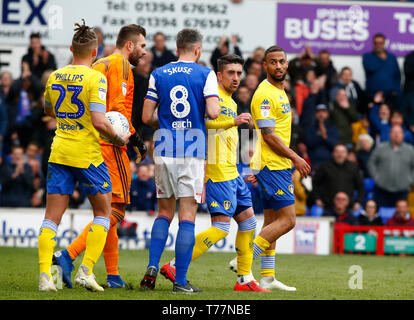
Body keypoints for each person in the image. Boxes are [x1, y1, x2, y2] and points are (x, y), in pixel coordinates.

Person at [157, 54, 269, 292]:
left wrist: (247, 166)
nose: (236, 78)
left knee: (248, 222)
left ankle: (244, 279)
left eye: (239, 73)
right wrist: (233, 122)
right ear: (219, 75)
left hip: (234, 171)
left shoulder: (231, 100)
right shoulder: (213, 96)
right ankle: (175, 266)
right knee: (221, 227)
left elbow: (229, 135)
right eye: (231, 73)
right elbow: (202, 122)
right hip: (217, 171)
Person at [37, 20, 130, 292]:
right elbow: (101, 122)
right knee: (104, 213)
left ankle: (45, 277)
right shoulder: (95, 77)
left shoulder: (55, 75)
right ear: (94, 52)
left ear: (70, 48)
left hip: (59, 152)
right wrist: (118, 138)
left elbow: (47, 109)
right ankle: (86, 271)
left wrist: (69, 116)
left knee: (51, 218)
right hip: (88, 155)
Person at [52, 24, 147, 289]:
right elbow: (117, 113)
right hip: (111, 144)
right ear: (129, 45)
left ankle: (113, 275)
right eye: (142, 46)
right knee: (114, 210)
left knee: (108, 209)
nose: (144, 51)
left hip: (90, 142)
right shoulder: (123, 67)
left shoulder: (100, 64)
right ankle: (67, 256)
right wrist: (135, 136)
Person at [140, 28, 220, 293]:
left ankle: (152, 267)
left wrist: (166, 120)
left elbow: (146, 117)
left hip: (163, 146)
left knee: (164, 212)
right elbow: (213, 112)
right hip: (192, 148)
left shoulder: (158, 73)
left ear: (177, 48)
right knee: (187, 216)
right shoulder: (205, 74)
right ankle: (180, 281)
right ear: (197, 50)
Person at [241, 45, 311, 291]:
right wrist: (296, 158)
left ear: (287, 64)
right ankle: (243, 261)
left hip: (273, 163)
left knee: (271, 223)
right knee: (288, 220)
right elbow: (269, 135)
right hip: (273, 164)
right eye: (273, 62)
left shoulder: (281, 90)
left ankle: (267, 278)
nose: (278, 66)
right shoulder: (264, 94)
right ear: (265, 66)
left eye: (282, 61)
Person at [368, 125, 414, 207]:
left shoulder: (410, 150)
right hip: (381, 190)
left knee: (399, 217)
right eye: (394, 132)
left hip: (402, 191)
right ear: (390, 134)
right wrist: (376, 177)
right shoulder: (380, 148)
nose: (396, 134)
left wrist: (410, 180)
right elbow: (371, 163)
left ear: (403, 135)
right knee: (381, 216)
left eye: (399, 132)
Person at [313, 143, 364, 212]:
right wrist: (317, 199)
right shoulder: (325, 167)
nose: (340, 155)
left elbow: (360, 186)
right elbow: (315, 183)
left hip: (348, 208)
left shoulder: (353, 168)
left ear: (346, 154)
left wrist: (359, 202)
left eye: (342, 152)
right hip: (328, 207)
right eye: (337, 152)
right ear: (333, 153)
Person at [362, 33, 401, 108]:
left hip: (390, 95)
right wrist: (380, 58)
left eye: (380, 43)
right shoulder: (367, 56)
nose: (378, 45)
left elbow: (397, 75)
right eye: (375, 43)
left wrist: (395, 90)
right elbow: (370, 67)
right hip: (372, 95)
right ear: (373, 44)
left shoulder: (392, 57)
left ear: (384, 43)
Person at [304, 103, 338, 169]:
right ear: (316, 114)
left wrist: (325, 136)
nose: (321, 114)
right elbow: (309, 143)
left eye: (323, 111)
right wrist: (320, 136)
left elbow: (335, 145)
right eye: (319, 112)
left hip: (330, 162)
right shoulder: (311, 128)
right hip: (314, 162)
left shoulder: (332, 128)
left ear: (327, 114)